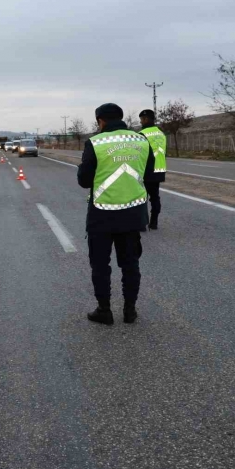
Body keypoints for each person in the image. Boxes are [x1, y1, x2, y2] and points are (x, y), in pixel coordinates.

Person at [78, 103, 154, 325]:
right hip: (133, 212)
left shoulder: (96, 143)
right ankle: (130, 311)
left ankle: (105, 311)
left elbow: (84, 181)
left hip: (102, 214)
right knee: (130, 263)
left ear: (100, 121)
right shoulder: (142, 140)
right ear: (121, 118)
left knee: (101, 265)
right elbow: (148, 174)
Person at [138, 109, 167, 230]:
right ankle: (154, 222)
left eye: (141, 120)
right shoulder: (161, 133)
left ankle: (142, 224)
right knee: (155, 197)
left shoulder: (142, 134)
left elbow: (139, 154)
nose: (141, 122)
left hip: (146, 170)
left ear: (145, 119)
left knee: (141, 197)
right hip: (159, 169)